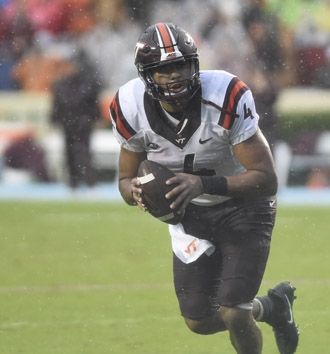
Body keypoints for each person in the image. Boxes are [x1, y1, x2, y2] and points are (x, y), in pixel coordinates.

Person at [109, 23, 298, 354]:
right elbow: (125, 181)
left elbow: (266, 178)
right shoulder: (129, 105)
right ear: (147, 75)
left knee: (234, 311)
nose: (175, 76)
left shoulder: (224, 94)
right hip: (189, 213)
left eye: (180, 65)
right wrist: (136, 191)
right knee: (199, 320)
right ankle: (273, 307)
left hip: (244, 206)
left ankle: (252, 312)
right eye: (164, 69)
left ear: (195, 63)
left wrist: (204, 184)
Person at [50, 49, 100, 191]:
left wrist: (94, 119)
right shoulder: (61, 84)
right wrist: (54, 120)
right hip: (68, 122)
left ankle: (90, 182)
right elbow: (56, 105)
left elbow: (93, 104)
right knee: (69, 153)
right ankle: (73, 183)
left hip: (83, 123)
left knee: (85, 152)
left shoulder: (88, 83)